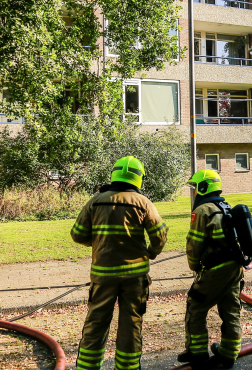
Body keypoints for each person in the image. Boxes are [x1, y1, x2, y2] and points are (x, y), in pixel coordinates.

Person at [71, 156, 168, 370]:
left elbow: (77, 234)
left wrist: (99, 242)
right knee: (131, 322)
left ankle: (87, 367)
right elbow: (160, 236)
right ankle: (128, 367)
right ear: (138, 178)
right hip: (135, 278)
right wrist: (150, 253)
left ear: (115, 174)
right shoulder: (143, 203)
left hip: (103, 275)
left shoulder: (96, 201)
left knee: (96, 322)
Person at [178, 169, 243, 369]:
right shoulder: (226, 207)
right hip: (235, 267)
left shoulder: (202, 210)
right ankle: (229, 353)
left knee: (195, 306)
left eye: (195, 188)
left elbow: (194, 243)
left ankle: (197, 352)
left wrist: (194, 265)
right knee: (230, 309)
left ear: (203, 187)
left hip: (216, 269)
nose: (194, 192)